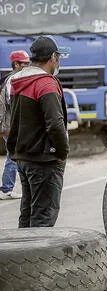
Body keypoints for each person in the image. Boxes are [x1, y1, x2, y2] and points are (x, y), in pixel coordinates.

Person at [7, 36, 68, 227]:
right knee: (43, 217)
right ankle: (38, 257)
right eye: (58, 57)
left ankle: (22, 256)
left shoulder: (18, 81)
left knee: (27, 214)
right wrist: (61, 152)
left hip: (24, 155)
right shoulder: (46, 84)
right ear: (52, 58)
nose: (58, 61)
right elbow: (55, 124)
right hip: (43, 159)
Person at [0, 50, 30, 200]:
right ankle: (6, 188)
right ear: (16, 64)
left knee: (15, 155)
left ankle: (8, 187)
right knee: (14, 155)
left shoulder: (14, 79)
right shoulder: (13, 80)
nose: (26, 65)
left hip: (13, 124)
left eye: (27, 63)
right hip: (11, 125)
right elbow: (13, 104)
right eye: (23, 63)